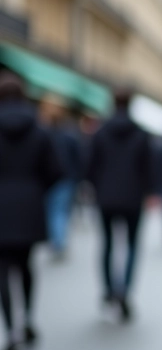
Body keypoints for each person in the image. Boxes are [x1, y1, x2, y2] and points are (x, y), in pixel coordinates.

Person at [0, 73, 62, 350]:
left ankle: (11, 328)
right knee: (26, 266)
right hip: (29, 205)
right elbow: (55, 170)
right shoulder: (38, 129)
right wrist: (35, 190)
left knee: (3, 271)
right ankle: (27, 320)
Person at [86, 87, 153, 321]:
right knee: (132, 245)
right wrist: (149, 191)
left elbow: (90, 166)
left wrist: (96, 188)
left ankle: (108, 290)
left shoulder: (100, 132)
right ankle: (124, 289)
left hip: (105, 196)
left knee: (107, 244)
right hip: (133, 197)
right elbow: (148, 168)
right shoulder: (141, 133)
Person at [41, 98, 82, 261]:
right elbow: (79, 158)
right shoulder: (69, 135)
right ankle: (59, 242)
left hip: (52, 180)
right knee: (60, 212)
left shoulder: (44, 134)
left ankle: (57, 242)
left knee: (53, 211)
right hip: (67, 179)